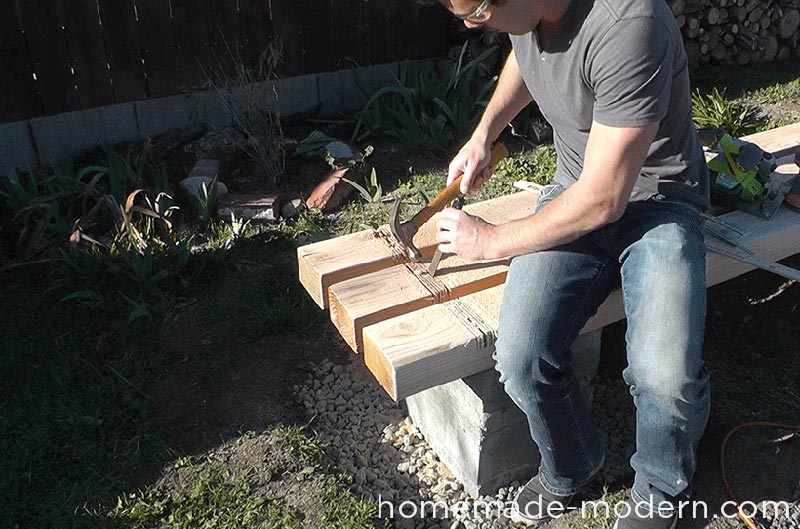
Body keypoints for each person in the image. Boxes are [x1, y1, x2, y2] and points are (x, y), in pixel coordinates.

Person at [433, 0, 711, 527]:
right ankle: (573, 463)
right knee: (520, 355)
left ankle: (660, 491)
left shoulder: (630, 24)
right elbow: (526, 54)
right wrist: (484, 133)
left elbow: (606, 198)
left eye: (478, 11)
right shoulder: (532, 15)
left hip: (656, 203)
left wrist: (492, 242)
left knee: (664, 375)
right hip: (574, 192)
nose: (473, 26)